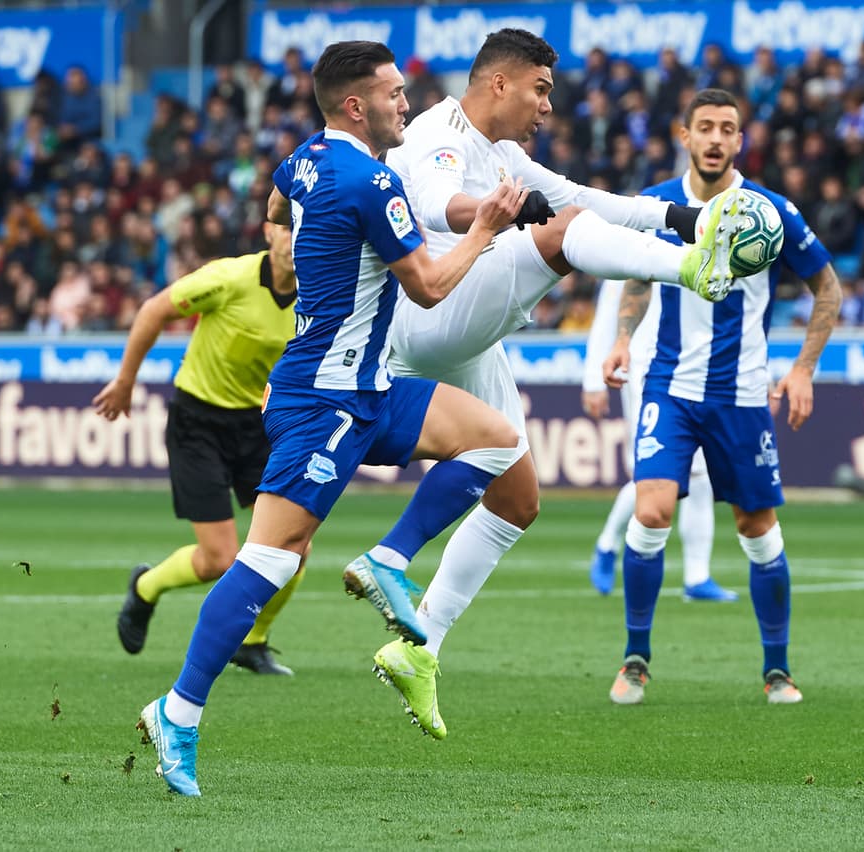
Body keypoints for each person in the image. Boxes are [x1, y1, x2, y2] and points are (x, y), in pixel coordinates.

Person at [135, 40, 529, 797]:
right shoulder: (370, 180)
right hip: (323, 401)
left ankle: (388, 560)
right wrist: (486, 230)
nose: (405, 103)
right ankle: (177, 711)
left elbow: (277, 203)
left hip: (368, 389)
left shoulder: (306, 160)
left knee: (496, 441)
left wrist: (292, 243)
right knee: (270, 561)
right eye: (393, 93)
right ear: (357, 105)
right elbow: (429, 290)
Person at [353, 28, 752, 739]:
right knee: (563, 232)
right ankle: (691, 274)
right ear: (498, 83)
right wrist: (513, 213)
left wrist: (686, 217)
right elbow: (447, 204)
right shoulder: (437, 134)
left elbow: (593, 200)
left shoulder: (506, 154)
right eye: (540, 89)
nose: (547, 106)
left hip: (465, 332)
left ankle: (420, 651)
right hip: (427, 316)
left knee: (518, 498)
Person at [602, 88, 842, 707]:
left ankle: (777, 668)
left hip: (740, 394)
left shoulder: (769, 210)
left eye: (726, 128)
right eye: (704, 127)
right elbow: (634, 276)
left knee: (755, 527)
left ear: (740, 141)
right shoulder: (656, 204)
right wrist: (623, 340)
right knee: (652, 510)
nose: (714, 138)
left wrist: (804, 369)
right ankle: (635, 658)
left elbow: (828, 288)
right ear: (685, 135)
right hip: (669, 386)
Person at [94, 221, 304, 675]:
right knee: (218, 559)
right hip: (198, 421)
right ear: (269, 233)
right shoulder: (228, 278)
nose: (293, 237)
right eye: (286, 227)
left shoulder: (317, 295)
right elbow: (153, 310)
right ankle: (146, 587)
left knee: (296, 548)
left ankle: (252, 640)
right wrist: (126, 381)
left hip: (257, 425)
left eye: (302, 227)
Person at [582, 277, 737, 602]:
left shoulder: (699, 240)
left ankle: (697, 577)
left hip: (694, 367)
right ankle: (608, 544)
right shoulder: (630, 242)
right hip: (644, 368)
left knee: (699, 474)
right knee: (650, 475)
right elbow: (608, 312)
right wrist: (592, 381)